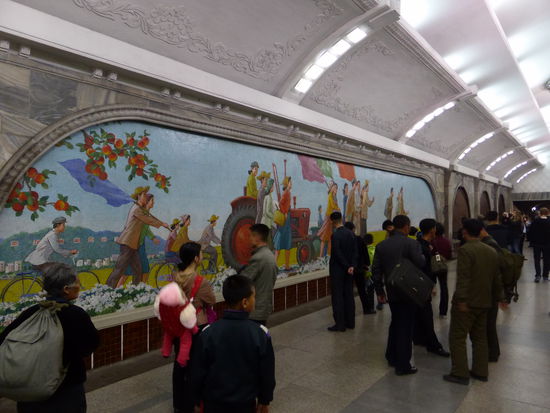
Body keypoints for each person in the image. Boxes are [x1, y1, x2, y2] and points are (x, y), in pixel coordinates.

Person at [0, 263, 99, 413]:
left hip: (29, 392)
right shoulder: (75, 314)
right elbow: (91, 344)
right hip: (65, 391)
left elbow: (4, 339)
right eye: (78, 283)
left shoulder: (31, 312)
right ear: (66, 289)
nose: (80, 286)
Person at [188, 275, 275, 413]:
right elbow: (266, 373)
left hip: (213, 404)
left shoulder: (208, 333)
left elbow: (197, 371)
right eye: (254, 297)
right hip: (245, 404)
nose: (255, 300)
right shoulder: (260, 334)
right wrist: (264, 400)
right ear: (245, 302)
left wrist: (196, 399)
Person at [444, 219, 506, 385]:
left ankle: (460, 373)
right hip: (485, 302)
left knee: (457, 337)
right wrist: (501, 297)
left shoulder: (466, 250)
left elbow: (464, 278)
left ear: (465, 232)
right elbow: (497, 278)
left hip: (468, 302)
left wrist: (462, 300)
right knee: (480, 338)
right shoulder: (491, 250)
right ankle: (480, 371)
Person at [373, 215, 425, 375]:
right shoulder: (412, 243)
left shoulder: (381, 245)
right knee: (406, 327)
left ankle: (391, 356)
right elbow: (420, 263)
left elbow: (376, 271)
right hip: (409, 290)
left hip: (392, 290)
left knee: (396, 322)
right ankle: (403, 365)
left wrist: (380, 291)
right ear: (406, 226)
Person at [171, 242, 216, 413]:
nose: (202, 256)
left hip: (178, 326)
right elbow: (211, 300)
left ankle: (179, 404)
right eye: (201, 254)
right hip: (196, 326)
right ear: (196, 258)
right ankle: (194, 402)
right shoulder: (200, 282)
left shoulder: (175, 277)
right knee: (196, 365)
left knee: (180, 364)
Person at [107, 188, 169, 287]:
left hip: (132, 244)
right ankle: (108, 288)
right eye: (144, 195)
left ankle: (135, 289)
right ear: (139, 196)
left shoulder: (140, 209)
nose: (146, 197)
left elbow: (147, 217)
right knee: (120, 269)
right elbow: (147, 219)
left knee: (137, 269)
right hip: (127, 243)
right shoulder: (136, 209)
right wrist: (161, 224)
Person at [413, 219, 450, 357]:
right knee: (426, 315)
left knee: (420, 312)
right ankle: (433, 345)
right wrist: (430, 285)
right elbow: (423, 267)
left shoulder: (424, 244)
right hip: (423, 285)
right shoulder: (421, 246)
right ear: (432, 229)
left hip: (423, 283)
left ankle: (418, 338)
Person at [240, 224, 278, 326]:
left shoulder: (258, 258)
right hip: (264, 307)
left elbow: (243, 281)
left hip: (255, 310)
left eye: (251, 236)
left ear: (256, 237)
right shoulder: (269, 255)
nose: (249, 239)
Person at [119, 193, 160, 287]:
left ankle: (141, 288)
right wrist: (153, 237)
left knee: (143, 269)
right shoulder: (141, 212)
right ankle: (117, 289)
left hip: (140, 244)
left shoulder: (146, 212)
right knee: (129, 270)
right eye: (152, 201)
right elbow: (144, 228)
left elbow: (145, 229)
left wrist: (152, 237)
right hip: (135, 244)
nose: (153, 203)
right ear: (147, 202)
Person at [480, 225, 506, 363]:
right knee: (488, 323)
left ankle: (493, 353)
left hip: (491, 290)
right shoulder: (489, 243)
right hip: (490, 289)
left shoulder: (490, 244)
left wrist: (501, 296)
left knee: (489, 323)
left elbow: (498, 269)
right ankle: (493, 351)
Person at [328, 212, 358, 332]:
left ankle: (340, 324)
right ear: (341, 219)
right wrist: (352, 266)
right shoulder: (351, 233)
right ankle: (350, 322)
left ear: (332, 221)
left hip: (338, 270)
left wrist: (346, 266)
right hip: (350, 271)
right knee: (349, 295)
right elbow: (355, 251)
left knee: (338, 297)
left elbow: (337, 253)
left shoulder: (335, 235)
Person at [344, 222, 372, 314]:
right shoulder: (359, 239)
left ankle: (349, 312)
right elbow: (364, 252)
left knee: (348, 291)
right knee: (362, 289)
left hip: (348, 269)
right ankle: (367, 309)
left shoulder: (344, 240)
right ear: (353, 229)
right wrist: (367, 264)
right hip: (359, 268)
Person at [432, 222, 452, 317]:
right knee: (444, 288)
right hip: (443, 267)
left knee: (428, 287)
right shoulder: (446, 241)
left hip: (432, 267)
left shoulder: (431, 241)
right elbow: (449, 255)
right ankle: (443, 311)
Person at [273, 177, 292, 270]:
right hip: (285, 219)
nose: (291, 184)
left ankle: (287, 265)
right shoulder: (286, 193)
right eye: (290, 182)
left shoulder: (288, 192)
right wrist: (284, 212)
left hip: (287, 219)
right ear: (287, 184)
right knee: (281, 242)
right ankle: (275, 265)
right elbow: (280, 203)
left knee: (286, 243)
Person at [527, 207, 550, 282]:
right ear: (547, 213)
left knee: (537, 260)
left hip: (537, 243)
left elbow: (530, 231)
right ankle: (545, 276)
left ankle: (538, 275)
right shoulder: (549, 221)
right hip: (547, 244)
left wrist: (531, 241)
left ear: (540, 213)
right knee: (547, 260)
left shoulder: (535, 221)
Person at [318, 181, 339, 258]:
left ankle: (329, 255)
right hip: (328, 218)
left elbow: (336, 206)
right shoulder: (330, 196)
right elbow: (333, 206)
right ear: (332, 188)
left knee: (330, 238)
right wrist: (338, 209)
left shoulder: (334, 196)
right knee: (324, 238)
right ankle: (320, 256)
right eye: (335, 187)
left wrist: (337, 209)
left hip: (332, 218)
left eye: (337, 188)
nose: (336, 189)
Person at [364, 233, 378, 313]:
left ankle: (366, 308)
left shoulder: (363, 250)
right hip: (374, 274)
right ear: (372, 241)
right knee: (371, 291)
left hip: (364, 274)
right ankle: (371, 307)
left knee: (364, 291)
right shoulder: (375, 249)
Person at [261, 179, 276, 248]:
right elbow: (267, 211)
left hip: (265, 223)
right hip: (266, 223)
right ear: (270, 187)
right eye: (273, 186)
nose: (273, 187)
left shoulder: (267, 197)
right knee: (269, 245)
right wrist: (274, 217)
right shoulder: (269, 197)